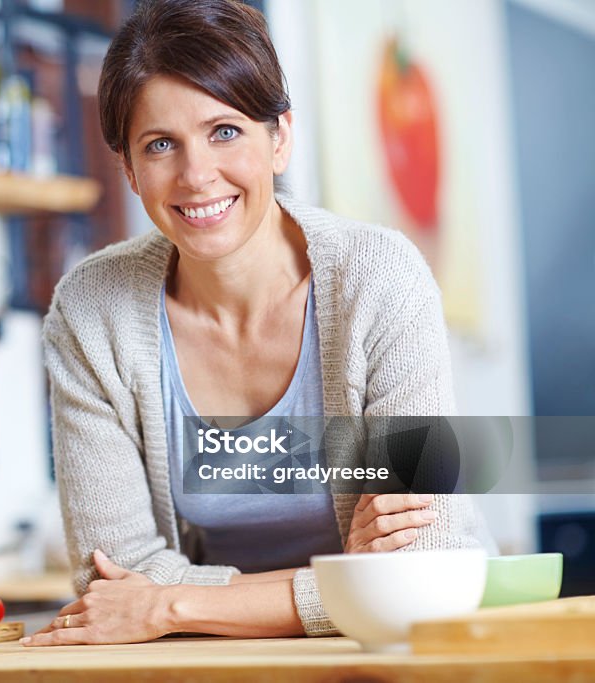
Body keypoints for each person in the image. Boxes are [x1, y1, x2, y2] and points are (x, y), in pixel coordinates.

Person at [24, 0, 493, 647]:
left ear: (280, 137)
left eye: (224, 131)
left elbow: (421, 558)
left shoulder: (381, 276)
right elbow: (115, 572)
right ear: (128, 169)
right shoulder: (91, 309)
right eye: (161, 144)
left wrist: (170, 605)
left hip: (400, 648)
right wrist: (346, 582)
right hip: (210, 661)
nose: (196, 175)